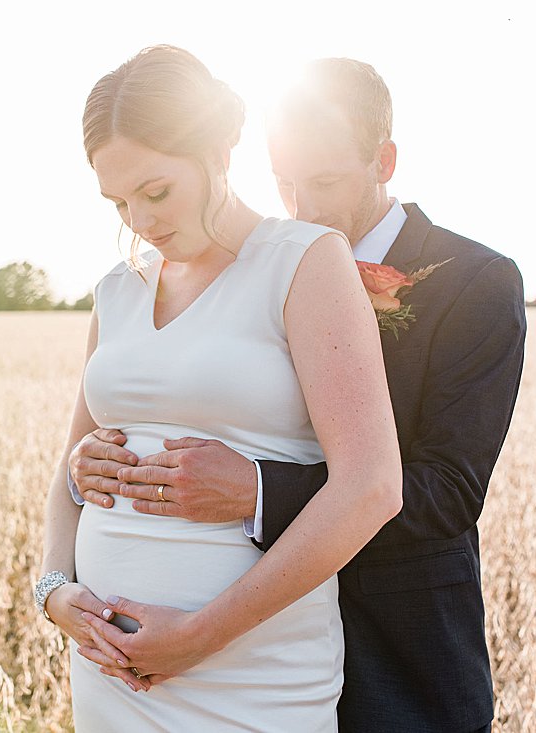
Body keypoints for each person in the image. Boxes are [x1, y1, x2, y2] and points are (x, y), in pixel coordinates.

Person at [70, 58, 527, 732]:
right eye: (285, 182)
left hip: (391, 642)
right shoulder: (258, 265)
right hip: (220, 647)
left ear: (384, 160)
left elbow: (448, 489)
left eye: (325, 181)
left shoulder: (476, 282)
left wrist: (258, 490)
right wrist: (96, 458)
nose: (305, 205)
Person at [35, 46, 402, 731]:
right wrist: (56, 591)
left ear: (218, 148)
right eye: (118, 201)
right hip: (110, 676)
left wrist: (201, 633)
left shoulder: (304, 262)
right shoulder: (116, 290)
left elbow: (371, 485)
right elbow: (71, 472)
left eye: (157, 191)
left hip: (252, 677)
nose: (140, 221)